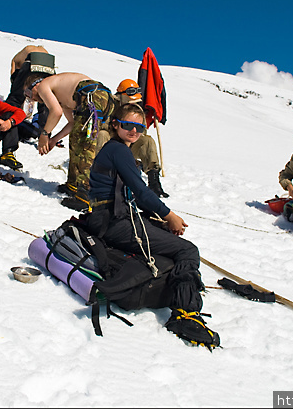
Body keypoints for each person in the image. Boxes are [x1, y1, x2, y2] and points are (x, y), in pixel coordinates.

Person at [87, 103, 218, 347]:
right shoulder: (119, 151)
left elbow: (132, 195)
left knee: (168, 242)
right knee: (187, 250)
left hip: (107, 217)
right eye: (128, 125)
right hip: (113, 221)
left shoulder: (115, 149)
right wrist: (169, 216)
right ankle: (185, 314)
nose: (134, 131)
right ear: (116, 125)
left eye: (140, 127)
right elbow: (141, 191)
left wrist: (157, 219)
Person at [24, 71, 113, 210]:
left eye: (29, 93)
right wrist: (54, 140)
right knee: (76, 138)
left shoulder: (43, 85)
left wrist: (44, 134)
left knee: (85, 146)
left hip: (91, 96)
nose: (33, 99)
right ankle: (73, 185)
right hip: (96, 96)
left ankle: (85, 195)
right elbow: (72, 123)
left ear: (35, 85)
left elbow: (56, 112)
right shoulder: (63, 96)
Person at [95, 79, 168, 197]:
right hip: (110, 148)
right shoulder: (110, 107)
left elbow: (141, 130)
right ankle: (100, 173)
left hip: (128, 147)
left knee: (147, 141)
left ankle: (154, 181)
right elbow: (100, 126)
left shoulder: (137, 110)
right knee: (103, 134)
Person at [6, 45, 54, 141]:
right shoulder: (37, 49)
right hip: (49, 64)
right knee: (46, 102)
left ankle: (10, 131)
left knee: (15, 99)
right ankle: (45, 135)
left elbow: (16, 86)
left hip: (30, 62)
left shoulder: (15, 61)